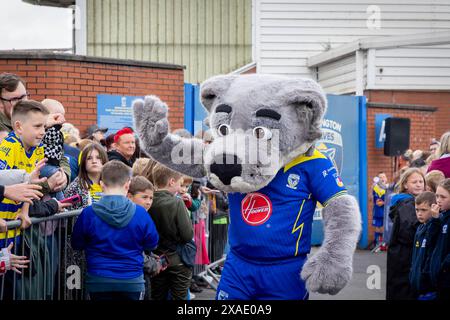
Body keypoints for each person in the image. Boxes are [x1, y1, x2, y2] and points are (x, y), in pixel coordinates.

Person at [71, 160, 159, 301]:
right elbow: (152, 243)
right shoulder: (141, 214)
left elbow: (77, 244)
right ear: (127, 185)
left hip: (98, 280)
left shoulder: (88, 213)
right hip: (132, 280)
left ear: (101, 185)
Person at [0, 100, 50, 248]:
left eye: (44, 127)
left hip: (13, 227)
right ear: (18, 127)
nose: (43, 132)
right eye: (37, 126)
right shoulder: (8, 148)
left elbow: (31, 184)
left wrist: (25, 211)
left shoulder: (39, 148)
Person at [149, 163, 194, 300]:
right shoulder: (176, 202)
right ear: (171, 181)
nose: (181, 187)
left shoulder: (148, 200)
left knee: (157, 296)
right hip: (177, 259)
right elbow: (187, 235)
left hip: (156, 259)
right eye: (180, 183)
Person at [386, 167, 425, 300]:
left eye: (421, 181)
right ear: (405, 185)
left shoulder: (404, 201)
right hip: (404, 258)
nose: (419, 184)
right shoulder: (407, 203)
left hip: (399, 256)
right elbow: (409, 231)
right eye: (414, 182)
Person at [409, 191, 440, 300]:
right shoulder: (419, 228)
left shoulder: (435, 227)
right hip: (416, 281)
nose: (419, 213)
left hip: (427, 285)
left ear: (433, 209)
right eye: (417, 210)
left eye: (424, 210)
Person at [64, 142, 108, 210]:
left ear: (104, 160)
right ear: (83, 162)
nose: (94, 161)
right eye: (89, 158)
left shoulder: (111, 185)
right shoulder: (74, 187)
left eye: (98, 157)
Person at [40, 99, 67, 201]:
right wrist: (53, 126)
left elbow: (61, 154)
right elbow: (50, 138)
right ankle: (61, 202)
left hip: (53, 164)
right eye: (57, 116)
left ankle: (56, 202)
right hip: (45, 163)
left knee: (57, 181)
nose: (61, 120)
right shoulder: (45, 130)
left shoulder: (56, 131)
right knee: (57, 175)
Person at [429, 179, 450, 300]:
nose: (438, 200)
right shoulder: (442, 216)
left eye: (443, 197)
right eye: (437, 196)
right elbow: (431, 240)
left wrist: (443, 267)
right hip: (439, 277)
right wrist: (435, 220)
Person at [372, 172, 388, 250]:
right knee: (377, 227)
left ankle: (383, 244)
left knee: (384, 227)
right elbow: (371, 199)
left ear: (386, 178)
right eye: (380, 177)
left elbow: (390, 200)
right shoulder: (375, 188)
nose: (382, 178)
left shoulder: (388, 188)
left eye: (384, 177)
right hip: (377, 211)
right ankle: (377, 244)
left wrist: (384, 202)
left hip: (386, 212)